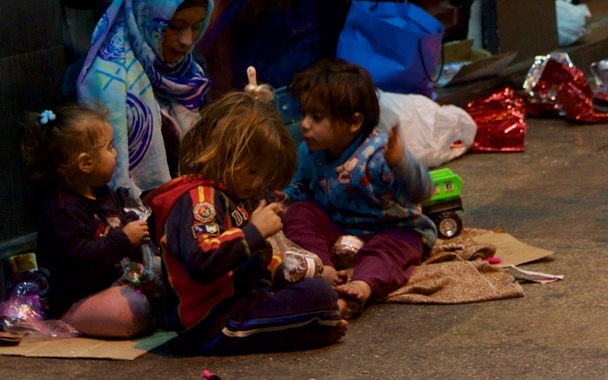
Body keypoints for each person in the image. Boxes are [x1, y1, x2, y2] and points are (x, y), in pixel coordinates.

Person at [145, 91, 346, 355]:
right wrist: (254, 230)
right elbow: (201, 260)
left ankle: (314, 321)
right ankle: (315, 321)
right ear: (222, 153)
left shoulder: (236, 193)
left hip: (243, 300)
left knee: (315, 291)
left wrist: (281, 271)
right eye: (252, 171)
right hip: (211, 322)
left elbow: (255, 258)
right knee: (321, 298)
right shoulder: (199, 198)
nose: (255, 184)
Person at [280, 59, 436, 318]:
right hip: (337, 226)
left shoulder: (379, 155)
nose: (305, 125)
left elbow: (422, 191)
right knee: (299, 213)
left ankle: (361, 286)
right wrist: (286, 198)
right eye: (304, 114)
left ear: (353, 122)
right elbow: (302, 188)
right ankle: (323, 269)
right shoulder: (310, 151)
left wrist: (400, 164)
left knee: (392, 250)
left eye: (316, 117)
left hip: (387, 229)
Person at [76, 0, 213, 200]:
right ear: (146, 15)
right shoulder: (104, 80)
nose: (187, 41)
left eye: (196, 27)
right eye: (176, 26)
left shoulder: (191, 68)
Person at [24, 105, 155, 339]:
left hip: (112, 285)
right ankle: (70, 321)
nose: (115, 153)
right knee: (132, 311)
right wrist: (125, 238)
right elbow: (81, 257)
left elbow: (120, 219)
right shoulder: (63, 211)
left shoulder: (104, 192)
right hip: (77, 301)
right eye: (109, 148)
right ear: (86, 163)